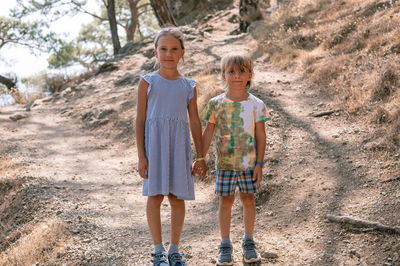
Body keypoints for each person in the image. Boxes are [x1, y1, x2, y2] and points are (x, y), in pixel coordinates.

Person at [136, 26, 207, 266]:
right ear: (155, 53)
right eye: (163, 49)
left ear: (182, 53)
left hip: (179, 146)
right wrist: (141, 156)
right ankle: (158, 250)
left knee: (177, 198)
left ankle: (174, 249)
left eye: (174, 49)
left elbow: (195, 121)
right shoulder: (148, 82)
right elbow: (140, 120)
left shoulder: (188, 85)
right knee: (155, 196)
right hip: (154, 146)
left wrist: (201, 156)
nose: (168, 54)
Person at [200, 53, 270, 265]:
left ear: (250, 75)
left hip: (249, 164)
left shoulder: (257, 104)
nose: (237, 76)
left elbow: (260, 135)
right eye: (232, 72)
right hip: (225, 165)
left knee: (248, 199)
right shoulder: (216, 104)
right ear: (224, 75)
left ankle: (248, 242)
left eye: (242, 72)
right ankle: (225, 244)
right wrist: (200, 157)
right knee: (226, 202)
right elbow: (208, 132)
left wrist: (259, 164)